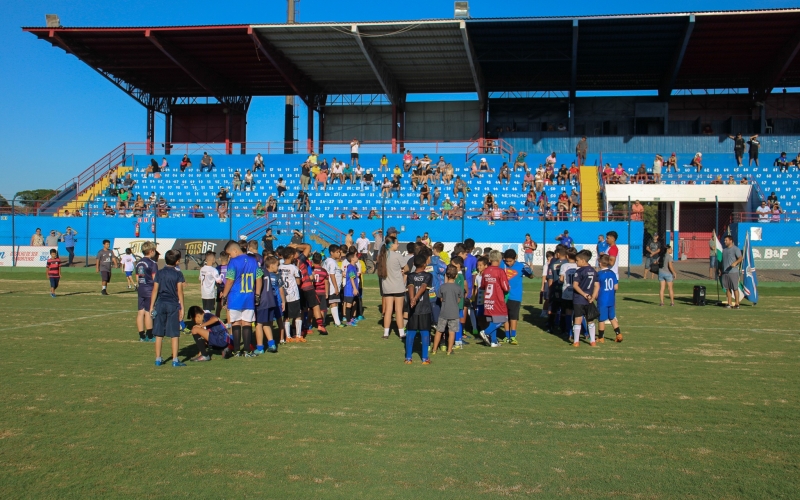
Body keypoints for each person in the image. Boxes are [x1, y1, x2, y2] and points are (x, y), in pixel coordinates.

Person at [220, 240, 262, 356]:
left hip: (235, 297)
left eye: (229, 254)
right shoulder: (253, 260)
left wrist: (224, 295)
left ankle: (237, 350)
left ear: (234, 250)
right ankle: (247, 350)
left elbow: (230, 281)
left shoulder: (233, 262)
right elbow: (259, 279)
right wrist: (257, 295)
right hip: (249, 297)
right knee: (247, 323)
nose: (229, 256)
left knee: (236, 323)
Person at [150, 249, 186, 367]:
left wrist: (151, 306)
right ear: (177, 261)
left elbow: (155, 290)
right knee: (174, 333)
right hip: (173, 304)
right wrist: (182, 307)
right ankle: (175, 360)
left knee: (159, 333)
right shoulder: (178, 274)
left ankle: (158, 359)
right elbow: (180, 292)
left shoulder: (159, 273)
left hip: (160, 304)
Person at [477, 250, 510, 348]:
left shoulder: (486, 271)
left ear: (490, 259)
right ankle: (485, 332)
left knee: (492, 321)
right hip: (497, 299)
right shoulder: (500, 271)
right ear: (500, 259)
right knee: (502, 319)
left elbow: (483, 285)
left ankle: (494, 341)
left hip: (488, 300)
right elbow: (506, 287)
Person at [404, 253, 433, 365]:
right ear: (425, 264)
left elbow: (410, 286)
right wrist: (416, 298)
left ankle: (408, 358)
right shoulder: (428, 275)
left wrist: (412, 299)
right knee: (425, 332)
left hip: (413, 308)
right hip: (424, 308)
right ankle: (425, 358)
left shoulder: (410, 276)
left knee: (411, 331)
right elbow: (424, 286)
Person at [501, 249, 533, 345]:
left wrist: (529, 272)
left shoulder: (520, 266)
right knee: (505, 316)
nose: (508, 263)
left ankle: (513, 336)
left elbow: (531, 276)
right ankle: (506, 336)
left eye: (510, 261)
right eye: (506, 261)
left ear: (515, 258)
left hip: (515, 296)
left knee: (513, 316)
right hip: (503, 295)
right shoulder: (501, 264)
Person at [377, 236, 406, 340]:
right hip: (398, 286)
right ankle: (401, 333)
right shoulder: (397, 255)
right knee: (398, 310)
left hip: (387, 287)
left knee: (388, 310)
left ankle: (386, 333)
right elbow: (406, 268)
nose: (398, 245)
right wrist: (402, 271)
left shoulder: (382, 256)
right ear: (392, 244)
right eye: (396, 243)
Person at [254, 256, 282, 354]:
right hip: (271, 301)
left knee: (259, 324)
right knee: (266, 323)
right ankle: (272, 344)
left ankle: (260, 348)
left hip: (263, 301)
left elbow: (259, 284)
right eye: (277, 265)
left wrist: (256, 296)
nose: (278, 267)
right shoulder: (266, 271)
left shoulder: (259, 271)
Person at [571, 250, 599, 347]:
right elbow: (597, 286)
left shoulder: (579, 271)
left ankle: (576, 341)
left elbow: (575, 285)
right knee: (590, 319)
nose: (576, 262)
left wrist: (584, 294)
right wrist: (592, 297)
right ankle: (593, 341)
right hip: (589, 299)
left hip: (579, 298)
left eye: (577, 260)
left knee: (578, 319)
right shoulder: (593, 271)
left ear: (583, 261)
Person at [135, 242, 158, 342]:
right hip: (149, 290)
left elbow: (137, 277)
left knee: (140, 312)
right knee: (148, 312)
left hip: (141, 289)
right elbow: (155, 279)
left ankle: (141, 336)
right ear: (151, 251)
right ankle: (150, 335)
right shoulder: (152, 263)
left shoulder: (139, 263)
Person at [596, 254, 622, 343]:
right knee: (612, 317)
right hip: (611, 299)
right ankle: (618, 334)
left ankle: (601, 337)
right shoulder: (612, 273)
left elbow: (597, 287)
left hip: (602, 299)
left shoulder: (599, 274)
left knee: (601, 319)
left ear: (600, 263)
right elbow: (616, 287)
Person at [720, 235, 743, 309]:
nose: (725, 242)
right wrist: (720, 269)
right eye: (724, 240)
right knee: (727, 288)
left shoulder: (735, 249)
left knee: (735, 288)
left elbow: (740, 258)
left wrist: (735, 263)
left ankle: (737, 304)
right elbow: (722, 261)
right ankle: (729, 303)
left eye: (726, 240)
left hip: (733, 272)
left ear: (731, 241)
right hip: (725, 272)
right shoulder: (724, 250)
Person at [342, 252, 361, 326]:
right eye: (356, 256)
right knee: (349, 305)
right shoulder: (350, 267)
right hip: (349, 289)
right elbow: (351, 278)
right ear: (352, 259)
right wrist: (355, 289)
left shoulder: (353, 266)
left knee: (353, 303)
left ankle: (350, 318)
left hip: (352, 289)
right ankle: (348, 321)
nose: (357, 257)